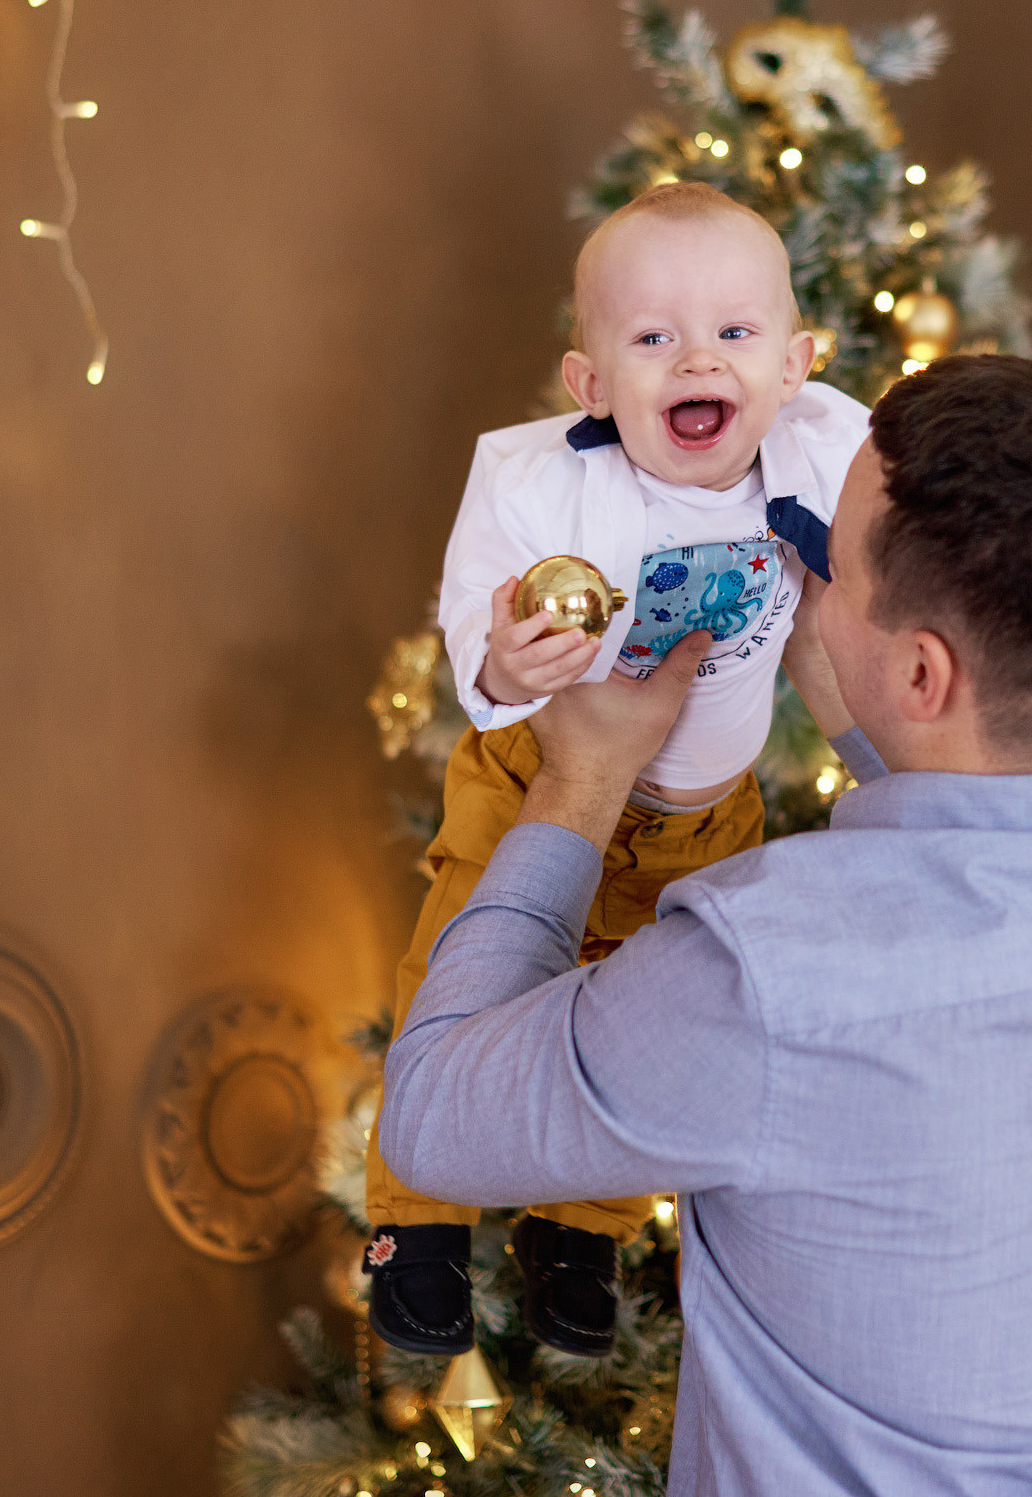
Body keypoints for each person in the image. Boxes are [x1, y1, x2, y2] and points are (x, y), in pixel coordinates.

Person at [379, 356, 1032, 1494]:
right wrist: (858, 711)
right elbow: (1015, 829)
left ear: (925, 672)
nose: (804, 577)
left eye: (824, 558)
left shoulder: (770, 974)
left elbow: (436, 1111)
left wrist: (580, 779)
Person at [360, 182, 878, 1359]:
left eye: (737, 334)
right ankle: (415, 1224)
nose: (699, 357)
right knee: (457, 955)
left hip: (707, 813)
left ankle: (578, 1228)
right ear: (590, 384)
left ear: (795, 363)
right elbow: (470, 648)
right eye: (652, 339)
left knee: (652, 1012)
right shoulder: (539, 482)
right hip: (535, 770)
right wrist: (504, 652)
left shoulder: (823, 450)